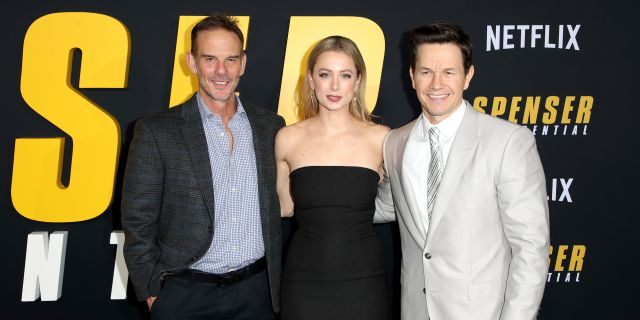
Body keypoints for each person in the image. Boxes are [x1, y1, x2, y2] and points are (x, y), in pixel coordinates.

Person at [375, 23, 550, 320]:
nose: (436, 84)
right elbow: (384, 207)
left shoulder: (507, 141)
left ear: (468, 76)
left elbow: (531, 247)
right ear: (412, 77)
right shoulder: (394, 143)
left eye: (449, 72)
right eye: (426, 71)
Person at [121, 14, 285, 320]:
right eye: (210, 59)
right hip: (185, 296)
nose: (221, 71)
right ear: (192, 62)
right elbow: (137, 220)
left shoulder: (271, 127)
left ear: (243, 63)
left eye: (231, 59)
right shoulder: (157, 130)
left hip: (257, 294)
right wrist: (153, 294)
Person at [276, 36, 390, 320]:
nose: (335, 86)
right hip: (303, 283)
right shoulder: (288, 138)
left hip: (364, 283)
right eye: (325, 75)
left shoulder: (381, 139)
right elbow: (284, 207)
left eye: (345, 75)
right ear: (311, 80)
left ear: (358, 81)